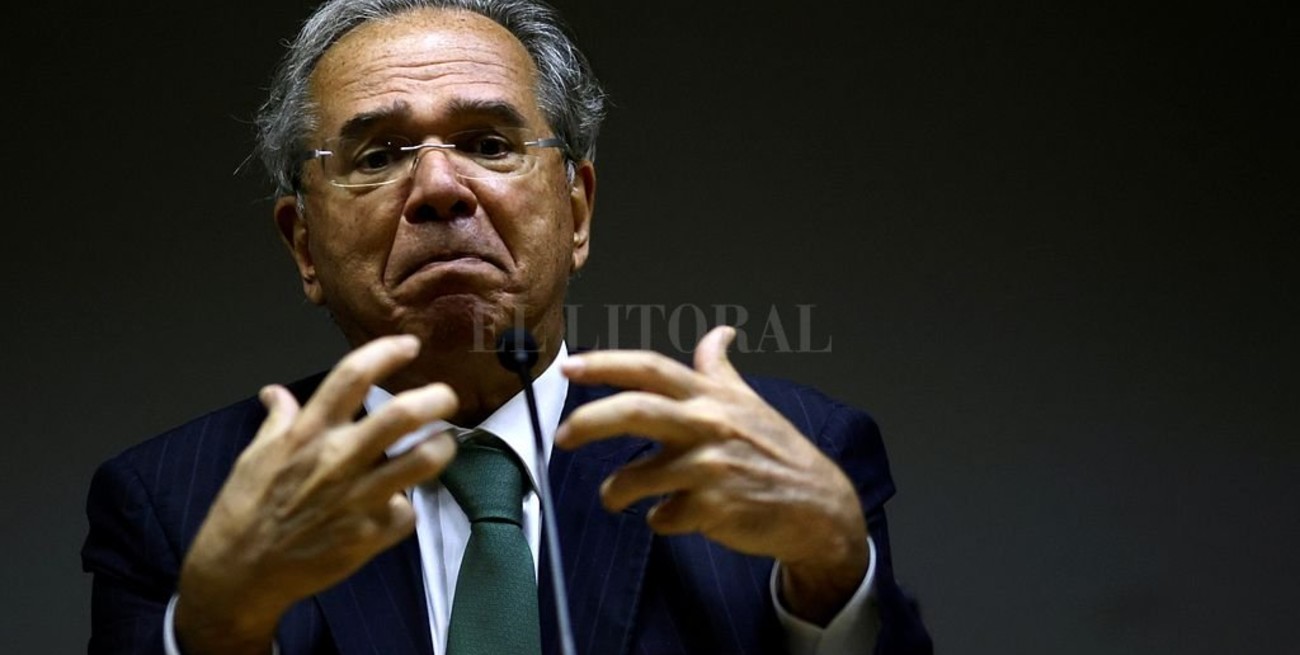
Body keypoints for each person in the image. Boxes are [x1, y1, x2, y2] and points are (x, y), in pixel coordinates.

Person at [82, 1, 932, 653]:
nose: (439, 188)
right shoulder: (173, 503)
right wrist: (215, 628)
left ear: (577, 212)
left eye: (488, 143)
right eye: (378, 156)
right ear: (304, 244)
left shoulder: (789, 454)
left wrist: (835, 572)